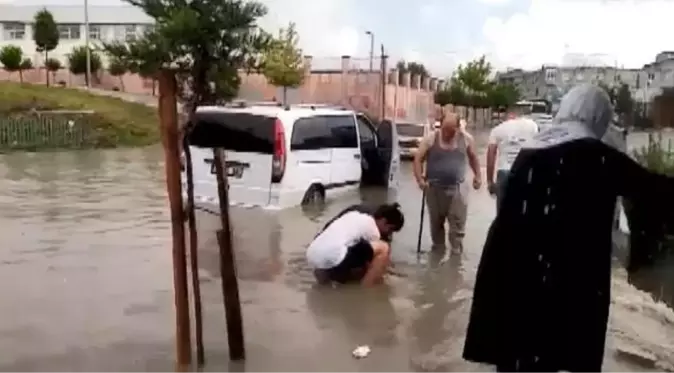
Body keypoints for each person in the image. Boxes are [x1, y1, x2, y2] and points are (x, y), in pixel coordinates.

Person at [462, 84, 674, 373]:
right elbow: (655, 192)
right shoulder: (597, 155)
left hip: (514, 276)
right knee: (558, 351)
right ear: (598, 116)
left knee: (518, 351)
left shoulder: (531, 150)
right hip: (566, 280)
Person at [413, 111, 482, 254]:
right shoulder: (431, 139)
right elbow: (418, 159)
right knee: (436, 225)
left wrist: (478, 177)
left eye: (450, 131)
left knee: (457, 227)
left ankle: (455, 261)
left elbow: (474, 158)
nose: (446, 134)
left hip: (458, 188)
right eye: (444, 129)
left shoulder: (466, 139)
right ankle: (437, 258)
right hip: (434, 188)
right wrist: (420, 180)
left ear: (457, 128)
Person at [306, 203, 405, 286]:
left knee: (339, 251)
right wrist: (386, 274)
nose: (389, 234)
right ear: (383, 221)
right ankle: (366, 291)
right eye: (391, 229)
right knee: (384, 248)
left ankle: (325, 285)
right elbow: (371, 263)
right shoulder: (373, 230)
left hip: (313, 255)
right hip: (334, 257)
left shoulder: (353, 215)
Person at [486, 116, 539, 210]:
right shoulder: (532, 125)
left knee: (503, 214)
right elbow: (538, 148)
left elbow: (491, 155)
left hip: (504, 172)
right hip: (524, 171)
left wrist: (490, 181)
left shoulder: (497, 130)